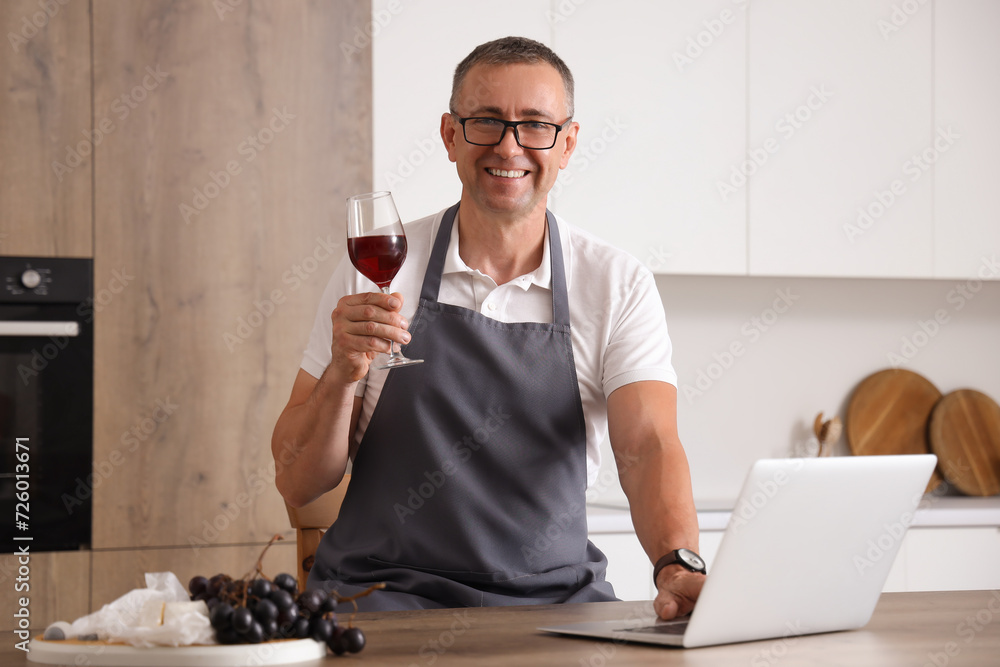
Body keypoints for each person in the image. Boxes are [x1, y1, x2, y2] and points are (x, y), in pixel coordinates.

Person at [272, 36, 704, 620]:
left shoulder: (615, 283)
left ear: (567, 143)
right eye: (487, 122)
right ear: (451, 135)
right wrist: (342, 376)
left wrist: (677, 564)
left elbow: (647, 446)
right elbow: (297, 483)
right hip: (381, 599)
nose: (509, 145)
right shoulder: (378, 271)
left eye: (534, 125)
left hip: (554, 606)